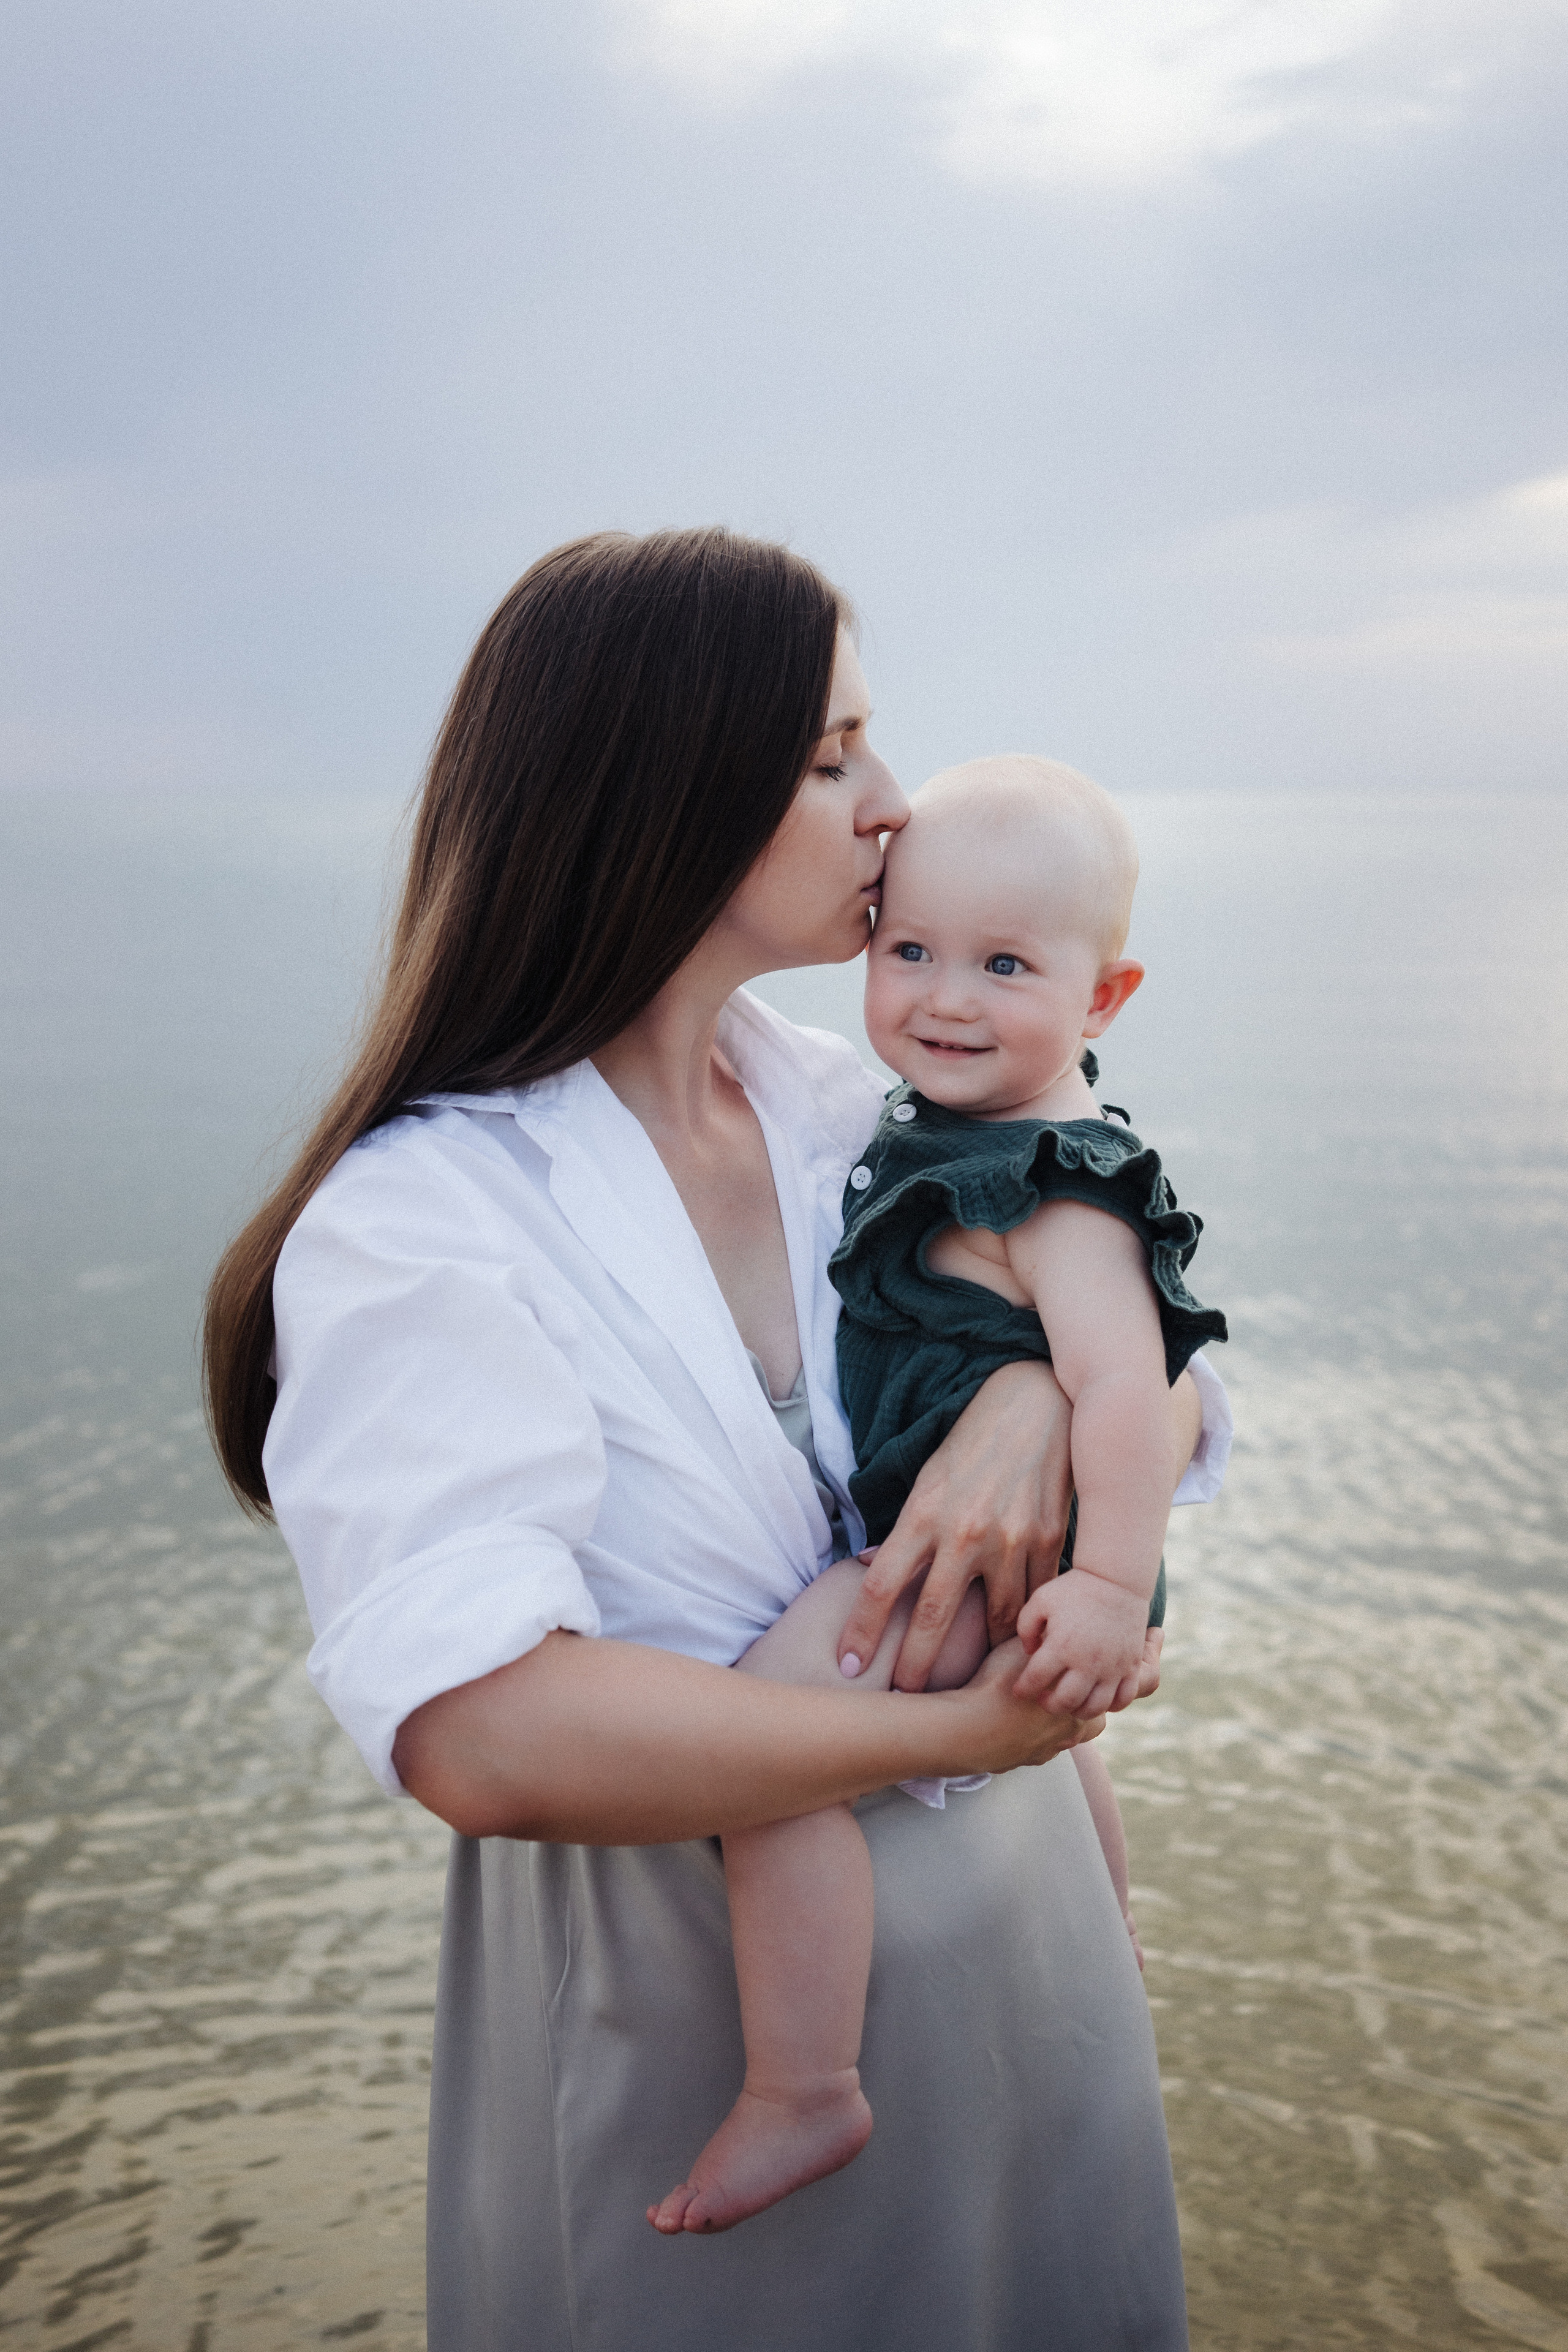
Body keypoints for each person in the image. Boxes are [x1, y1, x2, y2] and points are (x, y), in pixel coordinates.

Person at [203, 529, 1231, 2352]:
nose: (892, 809)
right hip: (699, 2019)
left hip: (1033, 1945)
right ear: (664, 791)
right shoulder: (426, 1221)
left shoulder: (867, 1103)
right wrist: (958, 1727)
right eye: (834, 756)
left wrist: (1023, 1406)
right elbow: (485, 1734)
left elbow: (1171, 1343)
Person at [653, 755, 1227, 2237]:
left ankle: (801, 2085)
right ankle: (1111, 1927)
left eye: (1004, 966)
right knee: (1066, 1760)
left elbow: (1127, 1385)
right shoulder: (928, 1129)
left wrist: (1102, 1590)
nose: (946, 998)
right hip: (978, 1554)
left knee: (759, 1757)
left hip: (984, 1568)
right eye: (909, 950)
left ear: (1103, 999)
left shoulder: (1051, 1182)